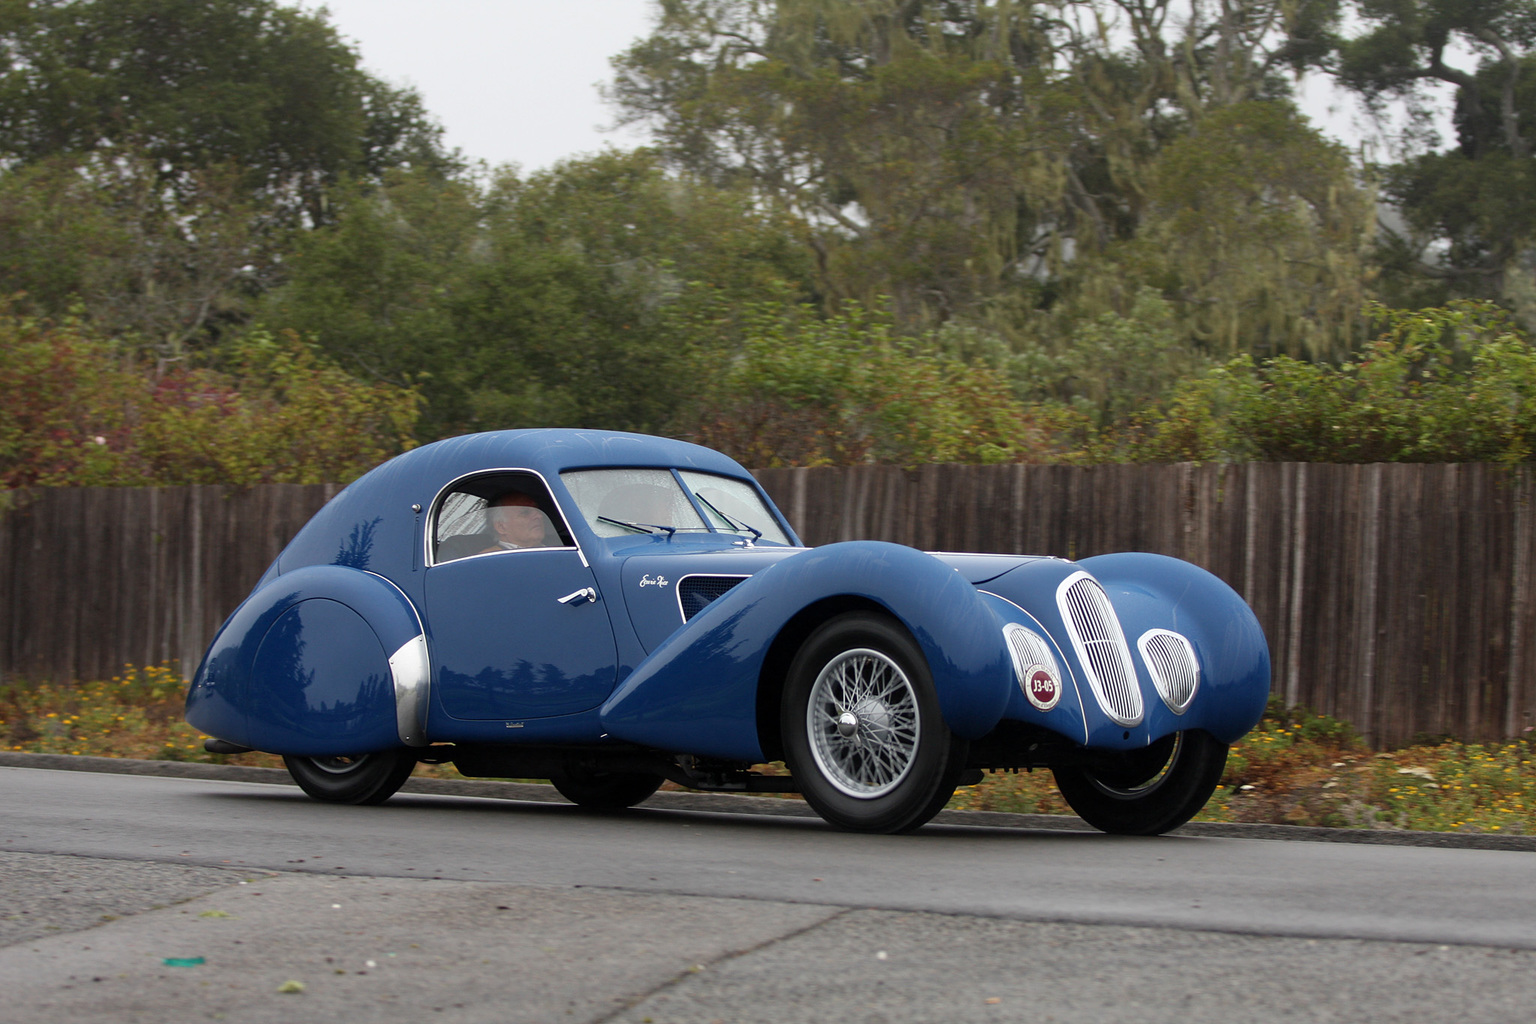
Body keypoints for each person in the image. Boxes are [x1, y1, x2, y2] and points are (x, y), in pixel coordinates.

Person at [480, 492, 551, 552]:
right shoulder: (490, 561)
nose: (539, 515)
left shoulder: (556, 547)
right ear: (501, 527)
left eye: (538, 509)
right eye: (525, 512)